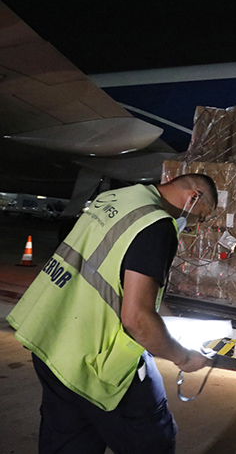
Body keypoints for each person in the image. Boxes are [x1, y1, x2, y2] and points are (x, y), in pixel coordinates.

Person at [6, 174, 218, 454]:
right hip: (98, 361)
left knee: (70, 441)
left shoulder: (118, 198)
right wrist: (184, 357)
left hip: (53, 343)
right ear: (193, 198)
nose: (192, 228)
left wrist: (164, 318)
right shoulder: (156, 224)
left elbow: (106, 273)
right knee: (152, 440)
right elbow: (136, 319)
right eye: (198, 220)